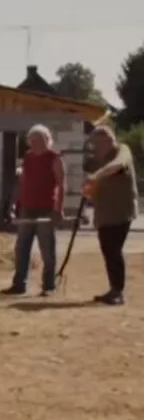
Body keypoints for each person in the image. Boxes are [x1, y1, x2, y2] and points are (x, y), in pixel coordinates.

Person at [1, 124, 64, 296]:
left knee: (47, 250)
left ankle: (49, 286)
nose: (36, 143)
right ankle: (19, 284)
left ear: (47, 140)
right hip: (27, 208)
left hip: (46, 208)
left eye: (39, 139)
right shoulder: (28, 157)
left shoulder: (54, 158)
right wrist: (13, 204)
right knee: (21, 248)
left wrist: (59, 209)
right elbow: (21, 183)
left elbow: (61, 184)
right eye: (32, 140)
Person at [83, 125, 137, 305]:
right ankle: (114, 289)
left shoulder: (122, 150)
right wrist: (89, 190)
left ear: (108, 140)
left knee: (114, 250)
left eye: (97, 144)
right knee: (108, 251)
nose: (95, 148)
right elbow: (97, 184)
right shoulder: (99, 159)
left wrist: (96, 175)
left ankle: (118, 292)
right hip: (104, 213)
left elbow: (117, 166)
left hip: (121, 211)